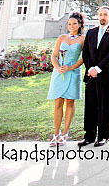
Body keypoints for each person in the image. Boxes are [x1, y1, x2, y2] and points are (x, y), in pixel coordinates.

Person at [78, 6, 109, 148]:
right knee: (90, 106)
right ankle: (89, 136)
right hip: (91, 75)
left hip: (106, 75)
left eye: (105, 15)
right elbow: (85, 53)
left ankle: (103, 136)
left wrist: (98, 68)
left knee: (104, 107)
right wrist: (90, 68)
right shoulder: (91, 32)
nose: (102, 17)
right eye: (100, 14)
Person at [46, 12, 85, 145]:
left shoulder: (83, 39)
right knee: (58, 103)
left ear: (79, 25)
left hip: (73, 73)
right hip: (59, 73)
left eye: (74, 24)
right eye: (69, 24)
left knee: (69, 103)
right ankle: (55, 134)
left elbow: (85, 58)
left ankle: (65, 133)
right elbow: (54, 55)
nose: (71, 26)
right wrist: (58, 67)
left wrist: (71, 67)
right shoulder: (62, 37)